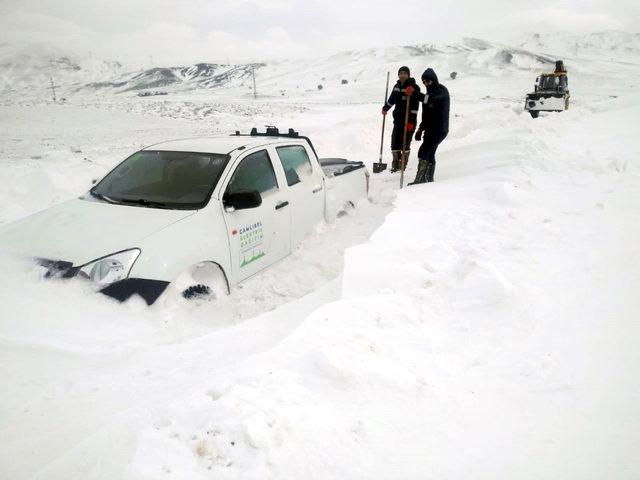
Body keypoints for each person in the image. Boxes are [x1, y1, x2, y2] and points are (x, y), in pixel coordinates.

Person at [409, 68, 450, 184]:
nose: (426, 84)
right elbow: (426, 115)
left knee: (424, 151)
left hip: (440, 128)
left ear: (434, 80)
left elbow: (433, 100)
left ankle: (420, 179)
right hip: (430, 129)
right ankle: (428, 179)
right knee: (430, 153)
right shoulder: (427, 94)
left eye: (428, 81)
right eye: (424, 82)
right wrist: (420, 129)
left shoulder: (441, 91)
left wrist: (416, 94)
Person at [381, 66, 421, 172]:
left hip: (409, 121)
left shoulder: (414, 87)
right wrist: (385, 108)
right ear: (398, 75)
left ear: (408, 75)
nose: (403, 75)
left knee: (405, 143)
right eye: (401, 73)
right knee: (395, 142)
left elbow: (415, 108)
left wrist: (411, 122)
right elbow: (392, 99)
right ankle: (396, 164)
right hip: (398, 120)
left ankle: (403, 164)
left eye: (405, 73)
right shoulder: (397, 86)